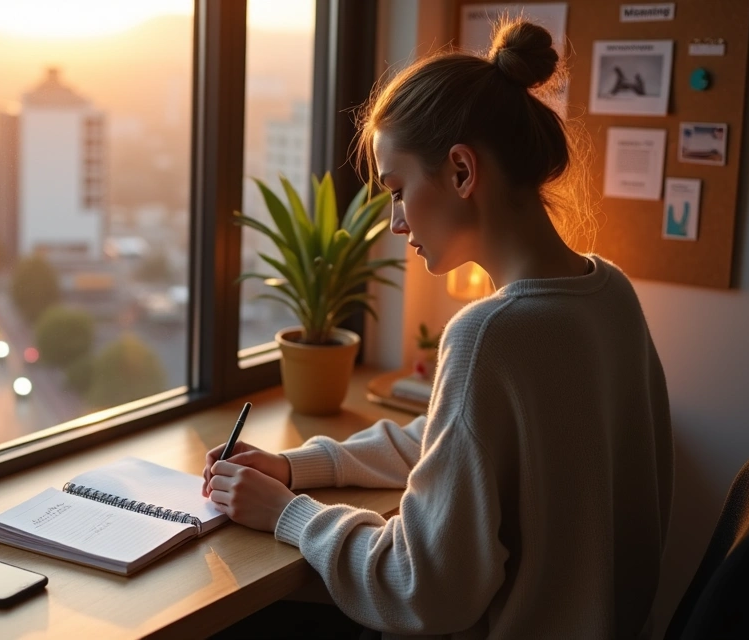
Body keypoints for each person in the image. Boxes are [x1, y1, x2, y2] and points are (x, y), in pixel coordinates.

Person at [202, 19, 673, 640]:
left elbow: (424, 589)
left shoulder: (491, 333)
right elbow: (451, 442)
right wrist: (296, 468)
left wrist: (289, 516)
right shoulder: (609, 292)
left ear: (460, 171)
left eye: (397, 189)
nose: (395, 221)